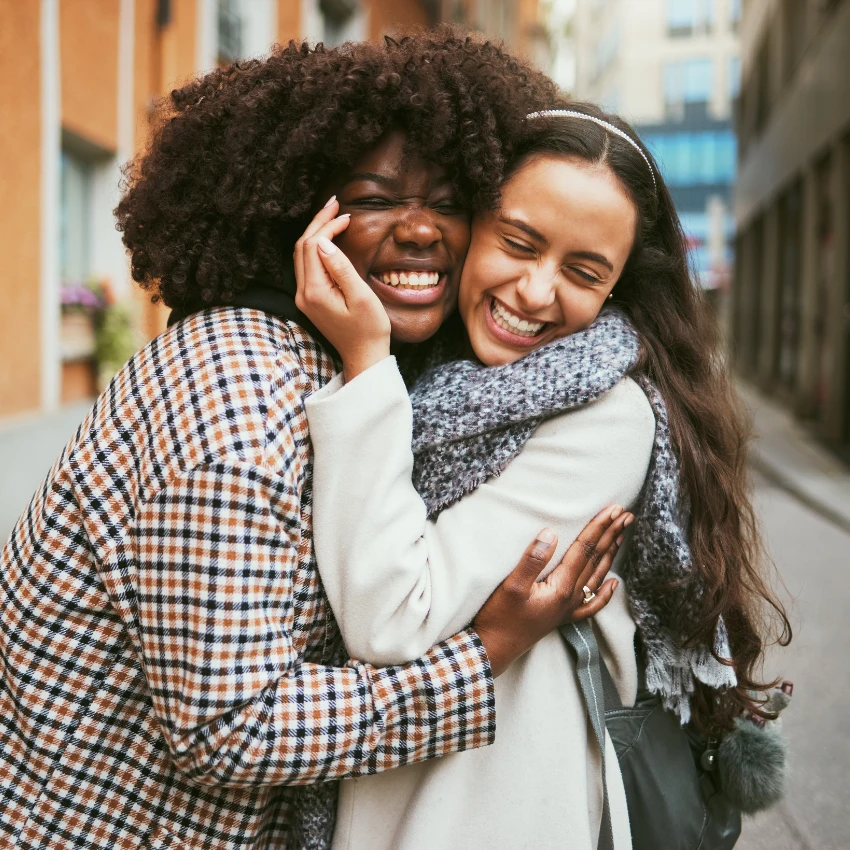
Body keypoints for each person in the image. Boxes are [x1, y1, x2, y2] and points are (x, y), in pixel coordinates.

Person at [0, 35, 621, 850]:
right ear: (293, 209)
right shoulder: (241, 404)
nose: (423, 229)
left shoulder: (328, 368)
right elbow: (228, 727)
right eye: (374, 197)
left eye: (450, 200)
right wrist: (487, 652)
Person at [294, 102, 791, 849]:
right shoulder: (442, 376)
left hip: (490, 808)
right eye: (518, 243)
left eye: (583, 272)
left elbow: (394, 617)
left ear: (619, 286)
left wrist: (366, 366)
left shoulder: (608, 415)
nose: (534, 292)